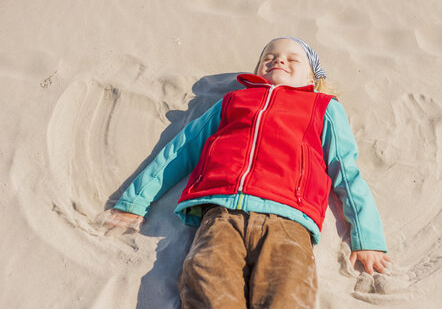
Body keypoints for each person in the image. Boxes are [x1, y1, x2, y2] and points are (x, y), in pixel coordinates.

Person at [98, 37, 391, 308]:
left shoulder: (322, 107)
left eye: (292, 59)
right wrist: (134, 202)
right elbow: (181, 149)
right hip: (222, 214)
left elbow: (346, 171)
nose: (278, 61)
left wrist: (367, 239)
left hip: (289, 220)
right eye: (270, 56)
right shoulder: (232, 102)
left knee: (288, 292)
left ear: (312, 79)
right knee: (205, 281)